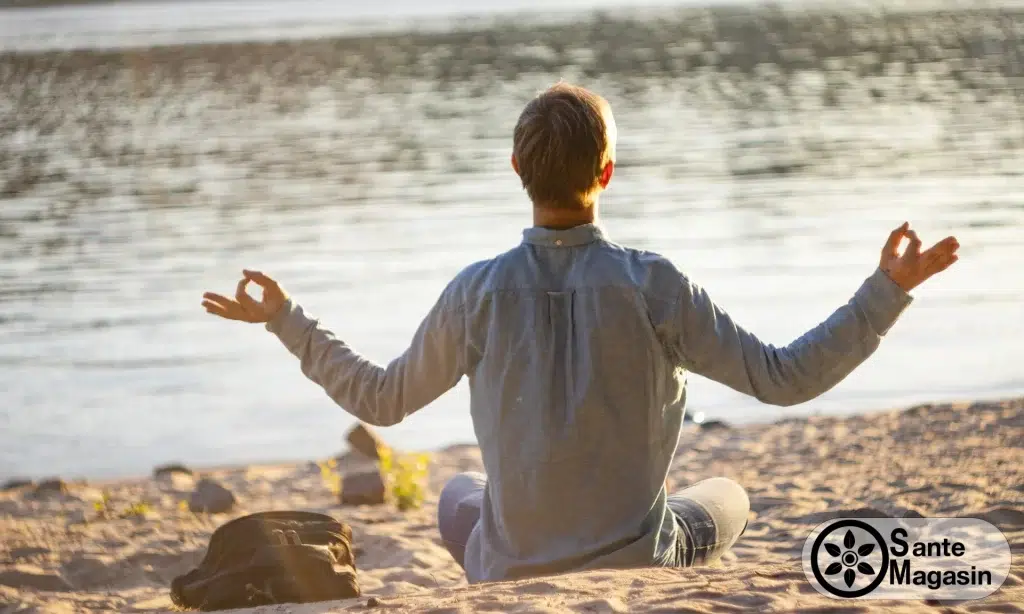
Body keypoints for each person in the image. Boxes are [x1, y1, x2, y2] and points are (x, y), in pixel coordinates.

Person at [201, 83, 960, 584]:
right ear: (607, 173)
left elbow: (381, 397)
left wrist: (285, 320)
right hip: (639, 558)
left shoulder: (476, 291)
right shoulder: (651, 283)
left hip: (506, 567)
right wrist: (885, 292)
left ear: (515, 170)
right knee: (729, 495)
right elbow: (784, 377)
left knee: (459, 496)